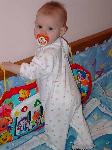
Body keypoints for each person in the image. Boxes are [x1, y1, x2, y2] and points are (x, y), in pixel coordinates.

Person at [1, 1, 94, 150]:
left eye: (50, 28)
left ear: (62, 31)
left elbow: (32, 72)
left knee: (54, 128)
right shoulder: (60, 43)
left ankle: (55, 145)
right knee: (77, 119)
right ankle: (86, 141)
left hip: (57, 102)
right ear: (35, 24)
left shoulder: (46, 54)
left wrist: (12, 66)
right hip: (71, 94)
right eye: (39, 26)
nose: (42, 32)